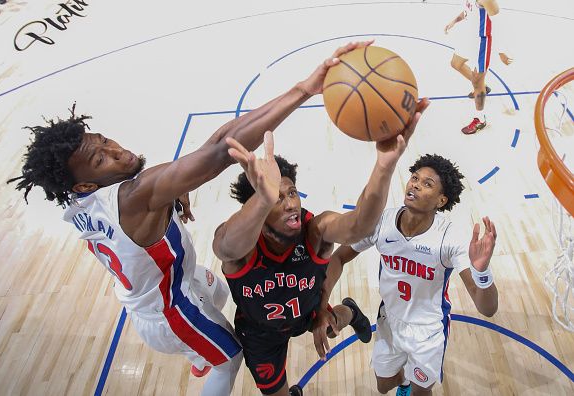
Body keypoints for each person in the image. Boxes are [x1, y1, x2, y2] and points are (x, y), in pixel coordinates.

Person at [7, 40, 374, 396]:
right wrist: (304, 89)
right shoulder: (135, 197)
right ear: (88, 180)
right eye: (102, 158)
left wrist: (166, 198)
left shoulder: (80, 201)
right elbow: (219, 150)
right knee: (229, 358)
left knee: (215, 288)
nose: (116, 150)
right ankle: (201, 353)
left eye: (104, 140)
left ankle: (197, 350)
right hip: (170, 309)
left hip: (168, 284)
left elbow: (156, 188)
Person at [213, 97, 429, 396]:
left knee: (327, 325)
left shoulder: (315, 229)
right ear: (257, 206)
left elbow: (359, 226)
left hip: (307, 308)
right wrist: (263, 198)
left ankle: (349, 313)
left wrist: (383, 167)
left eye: (291, 193)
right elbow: (224, 250)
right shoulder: (242, 242)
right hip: (260, 331)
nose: (291, 204)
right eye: (277, 197)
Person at [315, 154, 498, 396]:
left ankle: (411, 384)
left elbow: (487, 308)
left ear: (441, 201)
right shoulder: (383, 222)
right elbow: (338, 257)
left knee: (421, 392)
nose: (415, 184)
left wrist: (481, 271)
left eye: (427, 184)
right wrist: (320, 303)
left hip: (428, 331)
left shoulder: (450, 238)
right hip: (390, 319)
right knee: (384, 386)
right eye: (414, 178)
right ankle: (354, 315)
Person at [444, 0, 512, 134]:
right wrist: (455, 20)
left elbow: (498, 24)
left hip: (482, 42)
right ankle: (482, 87)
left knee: (477, 82)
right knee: (455, 64)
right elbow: (468, 11)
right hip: (469, 39)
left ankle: (480, 119)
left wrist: (501, 51)